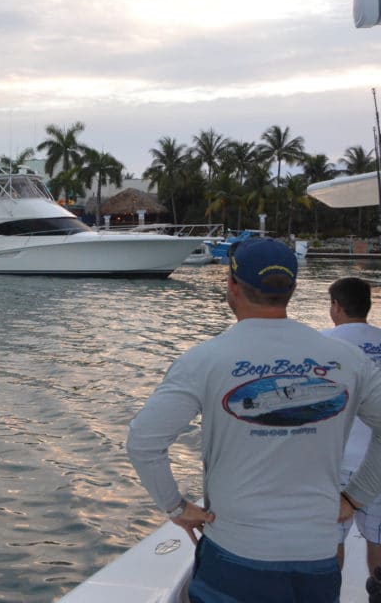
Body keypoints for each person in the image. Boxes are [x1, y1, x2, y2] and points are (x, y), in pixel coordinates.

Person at [126, 237, 381, 602]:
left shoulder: (205, 359)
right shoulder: (350, 359)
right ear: (292, 289)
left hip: (234, 553)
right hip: (317, 554)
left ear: (232, 285)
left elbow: (144, 441)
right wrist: (357, 497)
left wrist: (176, 507)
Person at [325, 277, 381, 574]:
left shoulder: (319, 346)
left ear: (336, 306)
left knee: (330, 546)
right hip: (379, 463)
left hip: (335, 465)